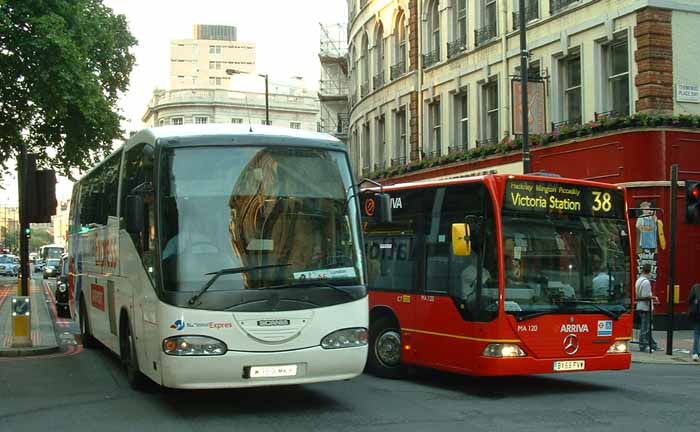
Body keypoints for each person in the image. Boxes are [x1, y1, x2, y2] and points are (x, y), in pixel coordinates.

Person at [636, 264, 658, 353]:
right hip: (646, 307)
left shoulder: (638, 280)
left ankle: (653, 344)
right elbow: (645, 296)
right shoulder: (646, 282)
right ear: (649, 271)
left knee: (647, 327)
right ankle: (643, 346)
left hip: (640, 306)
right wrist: (654, 297)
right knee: (645, 328)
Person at [688, 283, 700, 362]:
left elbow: (689, 300)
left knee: (696, 333)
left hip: (697, 314)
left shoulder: (696, 287)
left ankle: (695, 353)